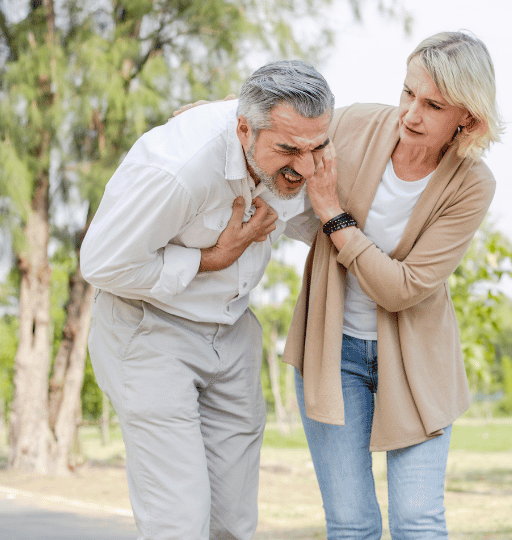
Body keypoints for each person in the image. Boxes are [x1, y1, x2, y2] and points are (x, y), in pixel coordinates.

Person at [81, 60, 333, 540]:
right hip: (149, 333)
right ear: (243, 129)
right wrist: (213, 258)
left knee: (234, 524)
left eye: (316, 147)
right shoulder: (177, 168)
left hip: (233, 332)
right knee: (179, 521)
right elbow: (102, 264)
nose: (304, 165)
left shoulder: (296, 139)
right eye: (288, 150)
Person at [287, 31, 502, 539]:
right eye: (408, 93)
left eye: (433, 105)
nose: (411, 113)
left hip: (417, 365)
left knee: (418, 522)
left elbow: (402, 288)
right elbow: (280, 118)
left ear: (466, 117)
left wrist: (331, 214)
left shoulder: (472, 184)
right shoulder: (357, 122)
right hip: (332, 353)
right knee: (351, 523)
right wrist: (210, 112)